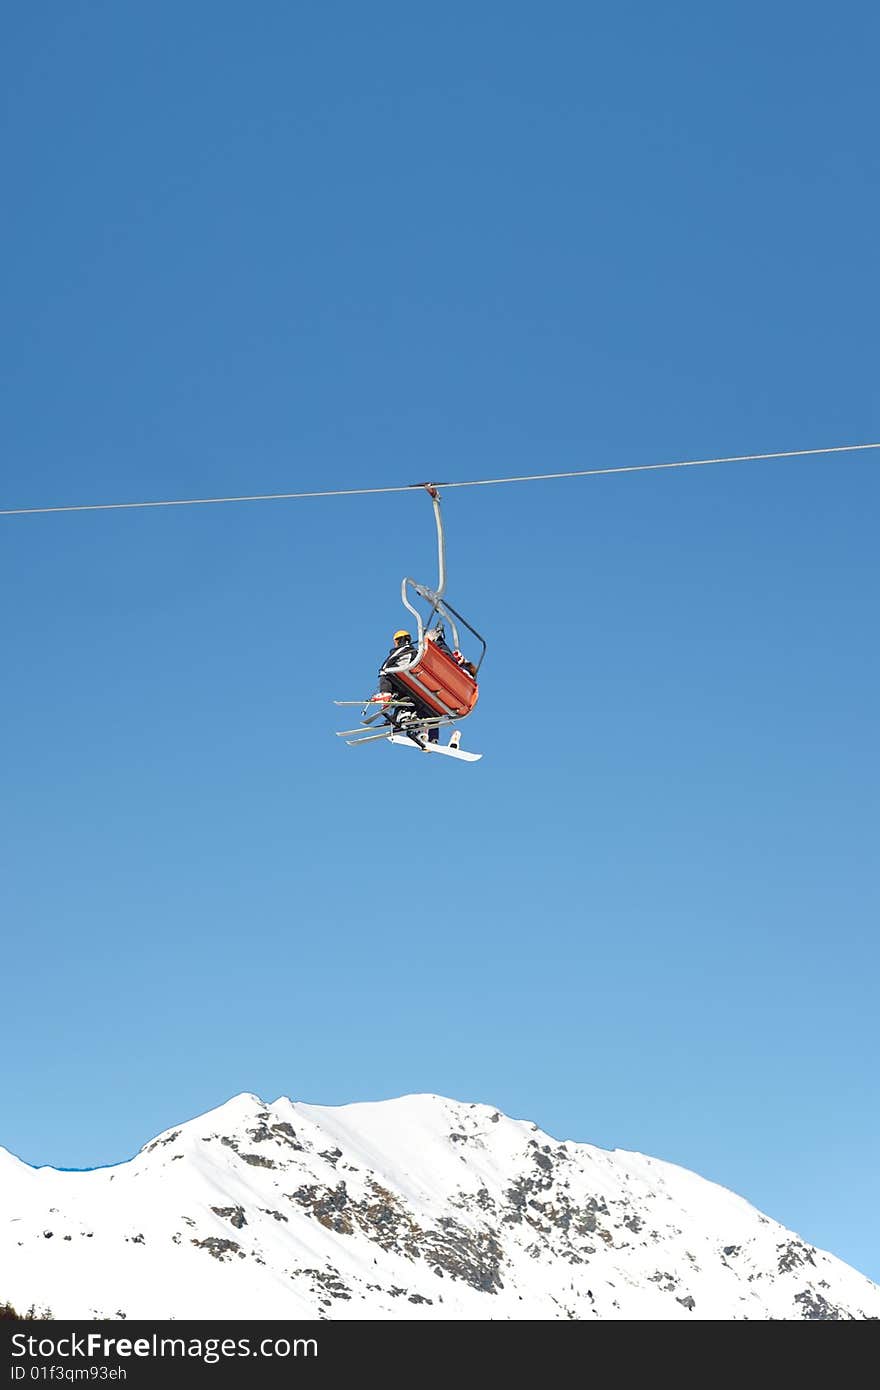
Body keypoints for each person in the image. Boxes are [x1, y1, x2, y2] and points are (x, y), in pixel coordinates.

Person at [373, 629, 439, 743]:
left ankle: (386, 696)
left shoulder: (403, 649)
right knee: (416, 702)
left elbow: (386, 664)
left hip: (404, 678)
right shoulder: (416, 652)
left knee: (385, 672)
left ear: (398, 640)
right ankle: (431, 736)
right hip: (417, 684)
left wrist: (385, 687)